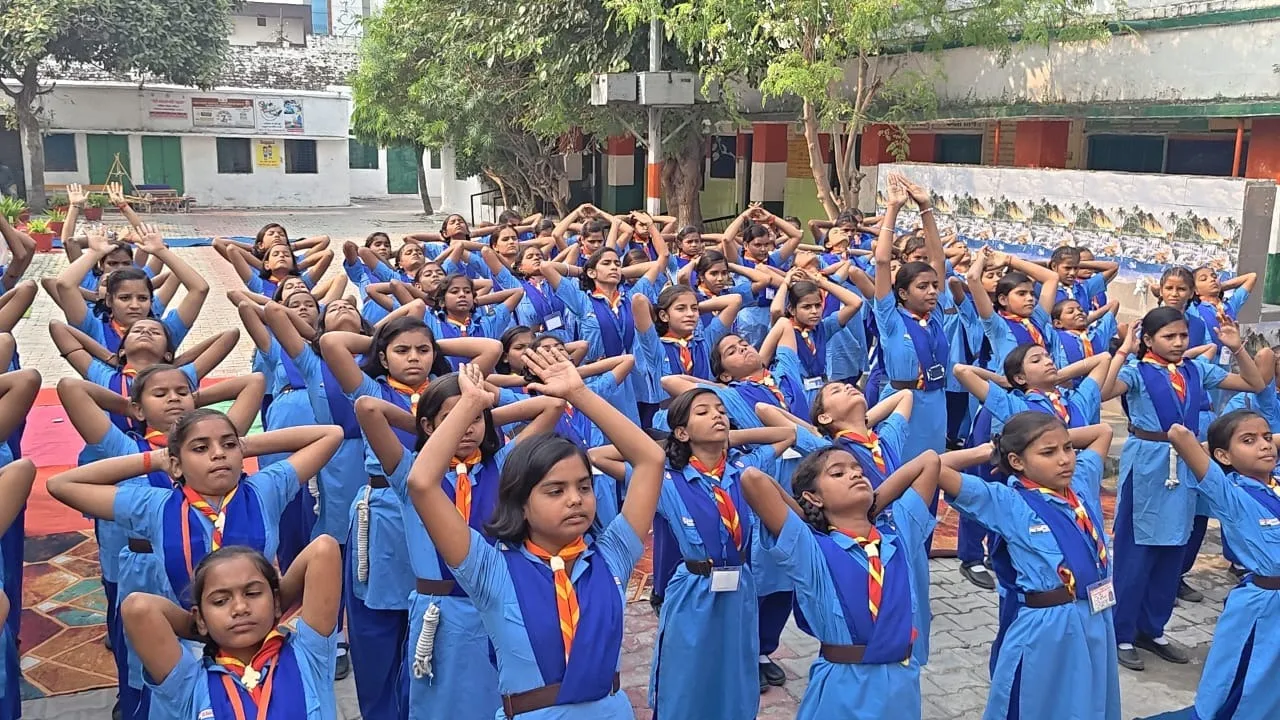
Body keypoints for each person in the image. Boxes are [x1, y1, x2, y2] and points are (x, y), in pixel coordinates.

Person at [405, 350, 667, 717]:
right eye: (555, 491)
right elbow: (421, 483)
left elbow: (650, 460)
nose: (575, 500)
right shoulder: (490, 569)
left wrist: (579, 394)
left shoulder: (611, 555)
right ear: (521, 504)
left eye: (584, 487)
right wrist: (470, 406)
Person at [1101, 308, 1264, 671]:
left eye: (1183, 336)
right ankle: (1121, 632)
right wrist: (1123, 351)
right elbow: (1102, 392)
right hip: (1147, 464)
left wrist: (1238, 350)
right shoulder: (1137, 372)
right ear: (1148, 340)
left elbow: (1254, 384)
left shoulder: (1196, 370)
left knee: (1173, 547)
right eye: (1169, 336)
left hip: (1186, 463)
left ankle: (1153, 628)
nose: (1178, 343)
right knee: (1136, 551)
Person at [939, 414, 1120, 720]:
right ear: (1017, 461)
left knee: (1088, 702)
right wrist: (991, 449)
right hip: (1048, 627)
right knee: (1038, 705)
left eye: (1067, 449)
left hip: (1095, 615)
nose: (1064, 460)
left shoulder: (1081, 483)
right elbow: (936, 466)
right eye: (1048, 453)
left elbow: (1103, 431)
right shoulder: (1008, 502)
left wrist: (1048, 436)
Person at [738, 448, 940, 719]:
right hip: (844, 687)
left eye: (858, 470)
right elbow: (753, 479)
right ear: (813, 496)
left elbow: (929, 460)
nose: (856, 473)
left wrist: (871, 506)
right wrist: (809, 517)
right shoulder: (812, 549)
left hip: (902, 684)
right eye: (838, 473)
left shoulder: (899, 536)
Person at [121, 537, 342, 719]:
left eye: (253, 594)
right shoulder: (191, 686)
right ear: (200, 617)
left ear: (275, 601)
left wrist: (274, 610)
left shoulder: (309, 656)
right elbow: (138, 608)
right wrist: (202, 628)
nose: (240, 608)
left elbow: (323, 550)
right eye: (220, 601)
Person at [1169, 411, 1280, 718]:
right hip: (1265, 604)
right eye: (1249, 440)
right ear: (1222, 455)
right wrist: (1218, 452)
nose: (1264, 446)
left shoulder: (1277, 482)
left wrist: (1252, 441)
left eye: (1267, 438)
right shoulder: (1229, 492)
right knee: (1248, 678)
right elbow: (1180, 434)